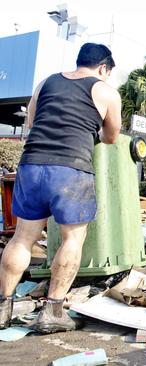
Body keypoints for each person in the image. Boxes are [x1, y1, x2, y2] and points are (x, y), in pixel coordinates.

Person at [0, 43, 121, 333]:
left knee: (21, 239)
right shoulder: (105, 91)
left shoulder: (45, 82)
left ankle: (2, 307)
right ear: (104, 68)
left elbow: (31, 122)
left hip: (31, 165)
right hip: (70, 169)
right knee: (72, 240)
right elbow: (111, 136)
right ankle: (53, 312)